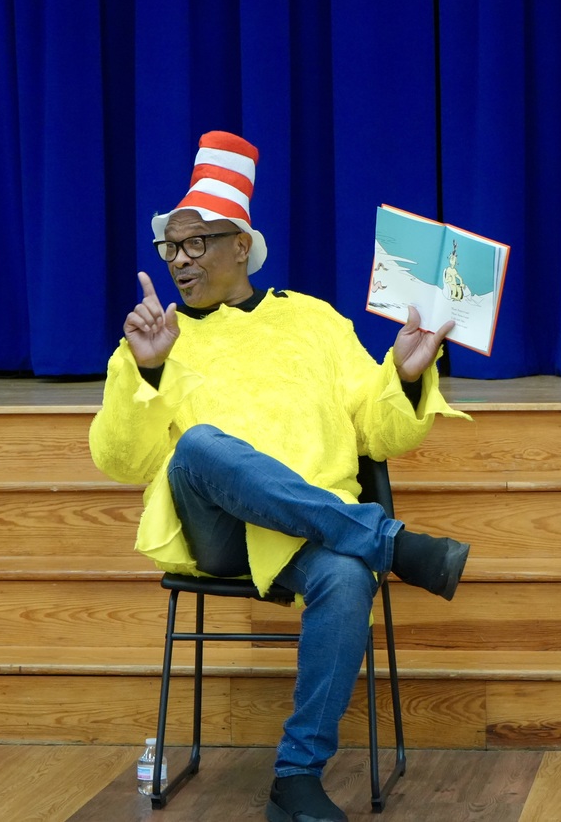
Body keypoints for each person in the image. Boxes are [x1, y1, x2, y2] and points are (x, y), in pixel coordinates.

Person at [89, 131, 471, 822]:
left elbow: (375, 431)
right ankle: (391, 542)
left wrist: (407, 374)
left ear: (241, 245)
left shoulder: (314, 321)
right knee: (201, 446)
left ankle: (296, 778)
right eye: (171, 248)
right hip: (220, 535)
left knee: (347, 577)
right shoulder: (154, 338)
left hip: (309, 536)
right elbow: (123, 461)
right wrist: (147, 369)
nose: (180, 260)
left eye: (195, 243)